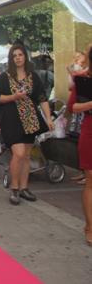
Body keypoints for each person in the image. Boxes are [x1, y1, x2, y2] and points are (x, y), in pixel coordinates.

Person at [0, 44, 54, 205]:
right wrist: (14, 97)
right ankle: (14, 188)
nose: (18, 57)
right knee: (18, 154)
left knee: (26, 155)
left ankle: (24, 187)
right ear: (11, 59)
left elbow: (42, 98)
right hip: (11, 119)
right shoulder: (5, 77)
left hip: (30, 119)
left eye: (20, 54)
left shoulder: (33, 76)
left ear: (25, 57)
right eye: (15, 55)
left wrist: (48, 118)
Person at [67, 47, 92, 246]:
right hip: (90, 130)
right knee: (91, 181)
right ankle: (90, 227)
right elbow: (72, 107)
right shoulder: (82, 79)